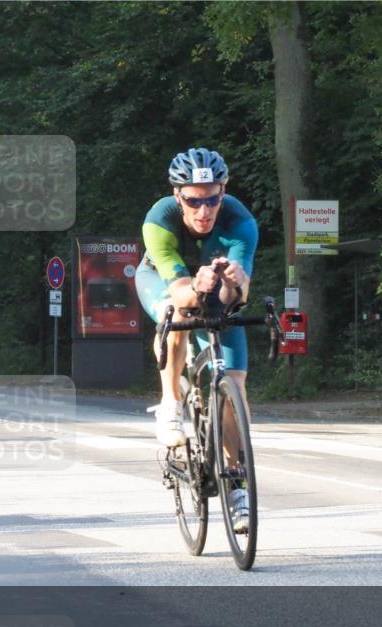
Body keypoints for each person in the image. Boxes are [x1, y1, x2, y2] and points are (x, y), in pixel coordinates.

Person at [135, 147, 257, 532]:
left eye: (212, 199)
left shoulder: (240, 222)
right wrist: (198, 284)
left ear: (223, 191)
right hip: (162, 283)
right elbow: (183, 293)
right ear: (178, 197)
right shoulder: (159, 220)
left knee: (235, 384)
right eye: (193, 200)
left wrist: (230, 285)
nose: (204, 211)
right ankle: (171, 401)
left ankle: (237, 483)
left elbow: (239, 298)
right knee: (179, 315)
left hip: (214, 288)